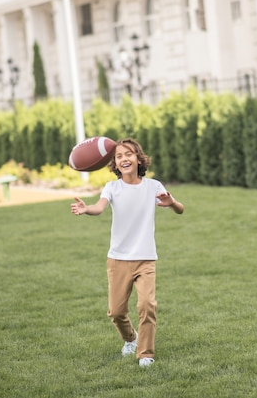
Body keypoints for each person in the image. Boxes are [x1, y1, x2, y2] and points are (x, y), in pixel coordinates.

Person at [71, 137, 184, 367]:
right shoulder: (113, 187)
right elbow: (99, 207)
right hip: (118, 259)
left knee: (147, 306)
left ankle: (146, 354)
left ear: (138, 158)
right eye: (119, 156)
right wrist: (86, 209)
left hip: (146, 259)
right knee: (116, 311)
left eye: (129, 154)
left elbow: (180, 210)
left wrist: (171, 202)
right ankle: (130, 338)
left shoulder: (154, 186)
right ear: (114, 163)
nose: (124, 159)